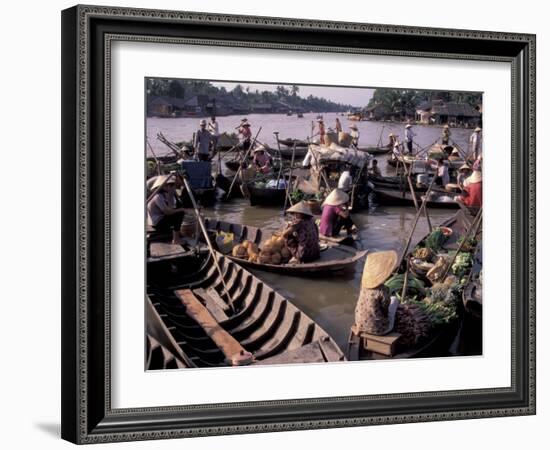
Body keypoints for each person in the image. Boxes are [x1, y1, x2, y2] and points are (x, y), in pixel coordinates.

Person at [354, 250, 398, 336]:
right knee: (395, 300)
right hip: (379, 329)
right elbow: (385, 308)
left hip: (359, 323)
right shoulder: (382, 290)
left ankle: (360, 328)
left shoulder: (363, 285)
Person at [147, 175, 186, 244]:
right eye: (169, 185)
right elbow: (167, 212)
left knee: (178, 211)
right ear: (164, 186)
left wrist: (175, 207)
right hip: (157, 224)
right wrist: (181, 209)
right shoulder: (158, 196)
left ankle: (176, 233)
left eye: (171, 185)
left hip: (160, 220)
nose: (170, 187)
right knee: (179, 214)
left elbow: (170, 208)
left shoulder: (164, 195)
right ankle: (176, 239)